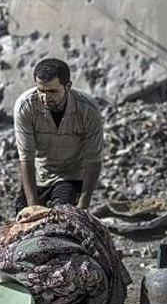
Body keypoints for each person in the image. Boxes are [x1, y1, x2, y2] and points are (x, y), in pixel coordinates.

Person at [13, 58, 104, 213]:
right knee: (22, 218)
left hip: (71, 173)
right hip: (41, 171)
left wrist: (82, 207)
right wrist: (33, 207)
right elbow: (26, 157)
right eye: (40, 90)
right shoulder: (25, 107)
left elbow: (93, 160)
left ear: (67, 86)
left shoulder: (88, 110)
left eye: (52, 91)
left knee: (63, 216)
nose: (45, 97)